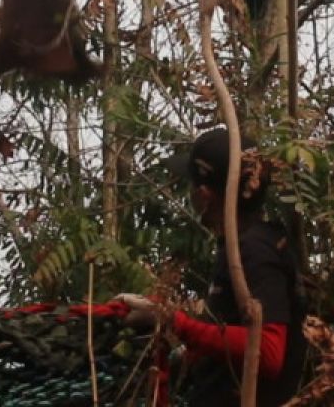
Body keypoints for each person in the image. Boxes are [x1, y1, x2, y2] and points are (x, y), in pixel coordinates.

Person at [120, 127, 307, 407]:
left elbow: (267, 352)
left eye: (192, 186)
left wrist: (175, 321)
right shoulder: (241, 245)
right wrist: (189, 349)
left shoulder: (255, 249)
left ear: (205, 194)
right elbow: (232, 337)